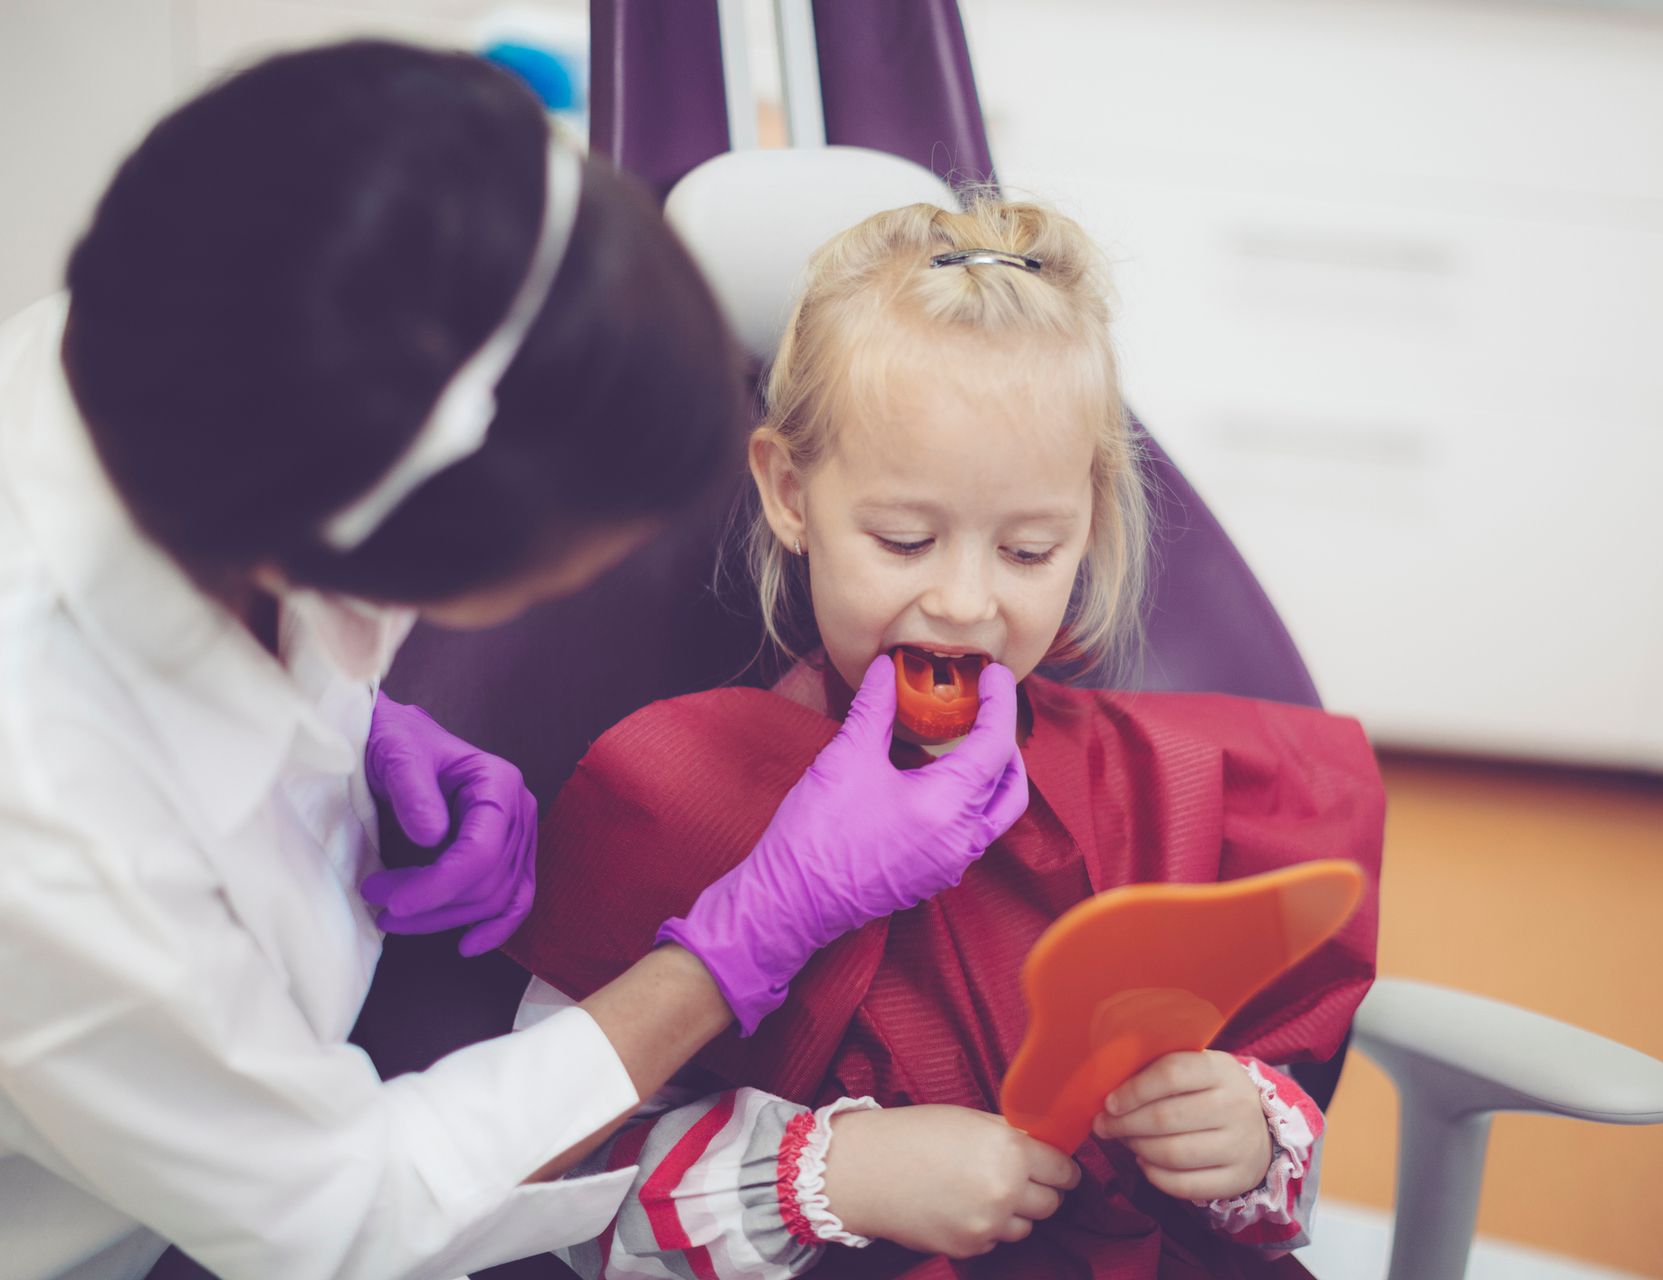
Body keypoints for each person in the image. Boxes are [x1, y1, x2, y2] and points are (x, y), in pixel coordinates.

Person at [0, 42, 1025, 1280]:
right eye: (905, 536)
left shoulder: (184, 339)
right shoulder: (52, 831)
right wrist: (749, 936)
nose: (962, 595)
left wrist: (348, 727)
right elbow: (348, 1213)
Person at [507, 198, 1386, 1278]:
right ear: (789, 490)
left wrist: (1241, 1134)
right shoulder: (672, 789)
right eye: (904, 538)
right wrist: (835, 1171)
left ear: (1091, 523)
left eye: (1028, 550)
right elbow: (544, 1183)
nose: (967, 601)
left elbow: (1268, 1169)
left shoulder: (1169, 792)